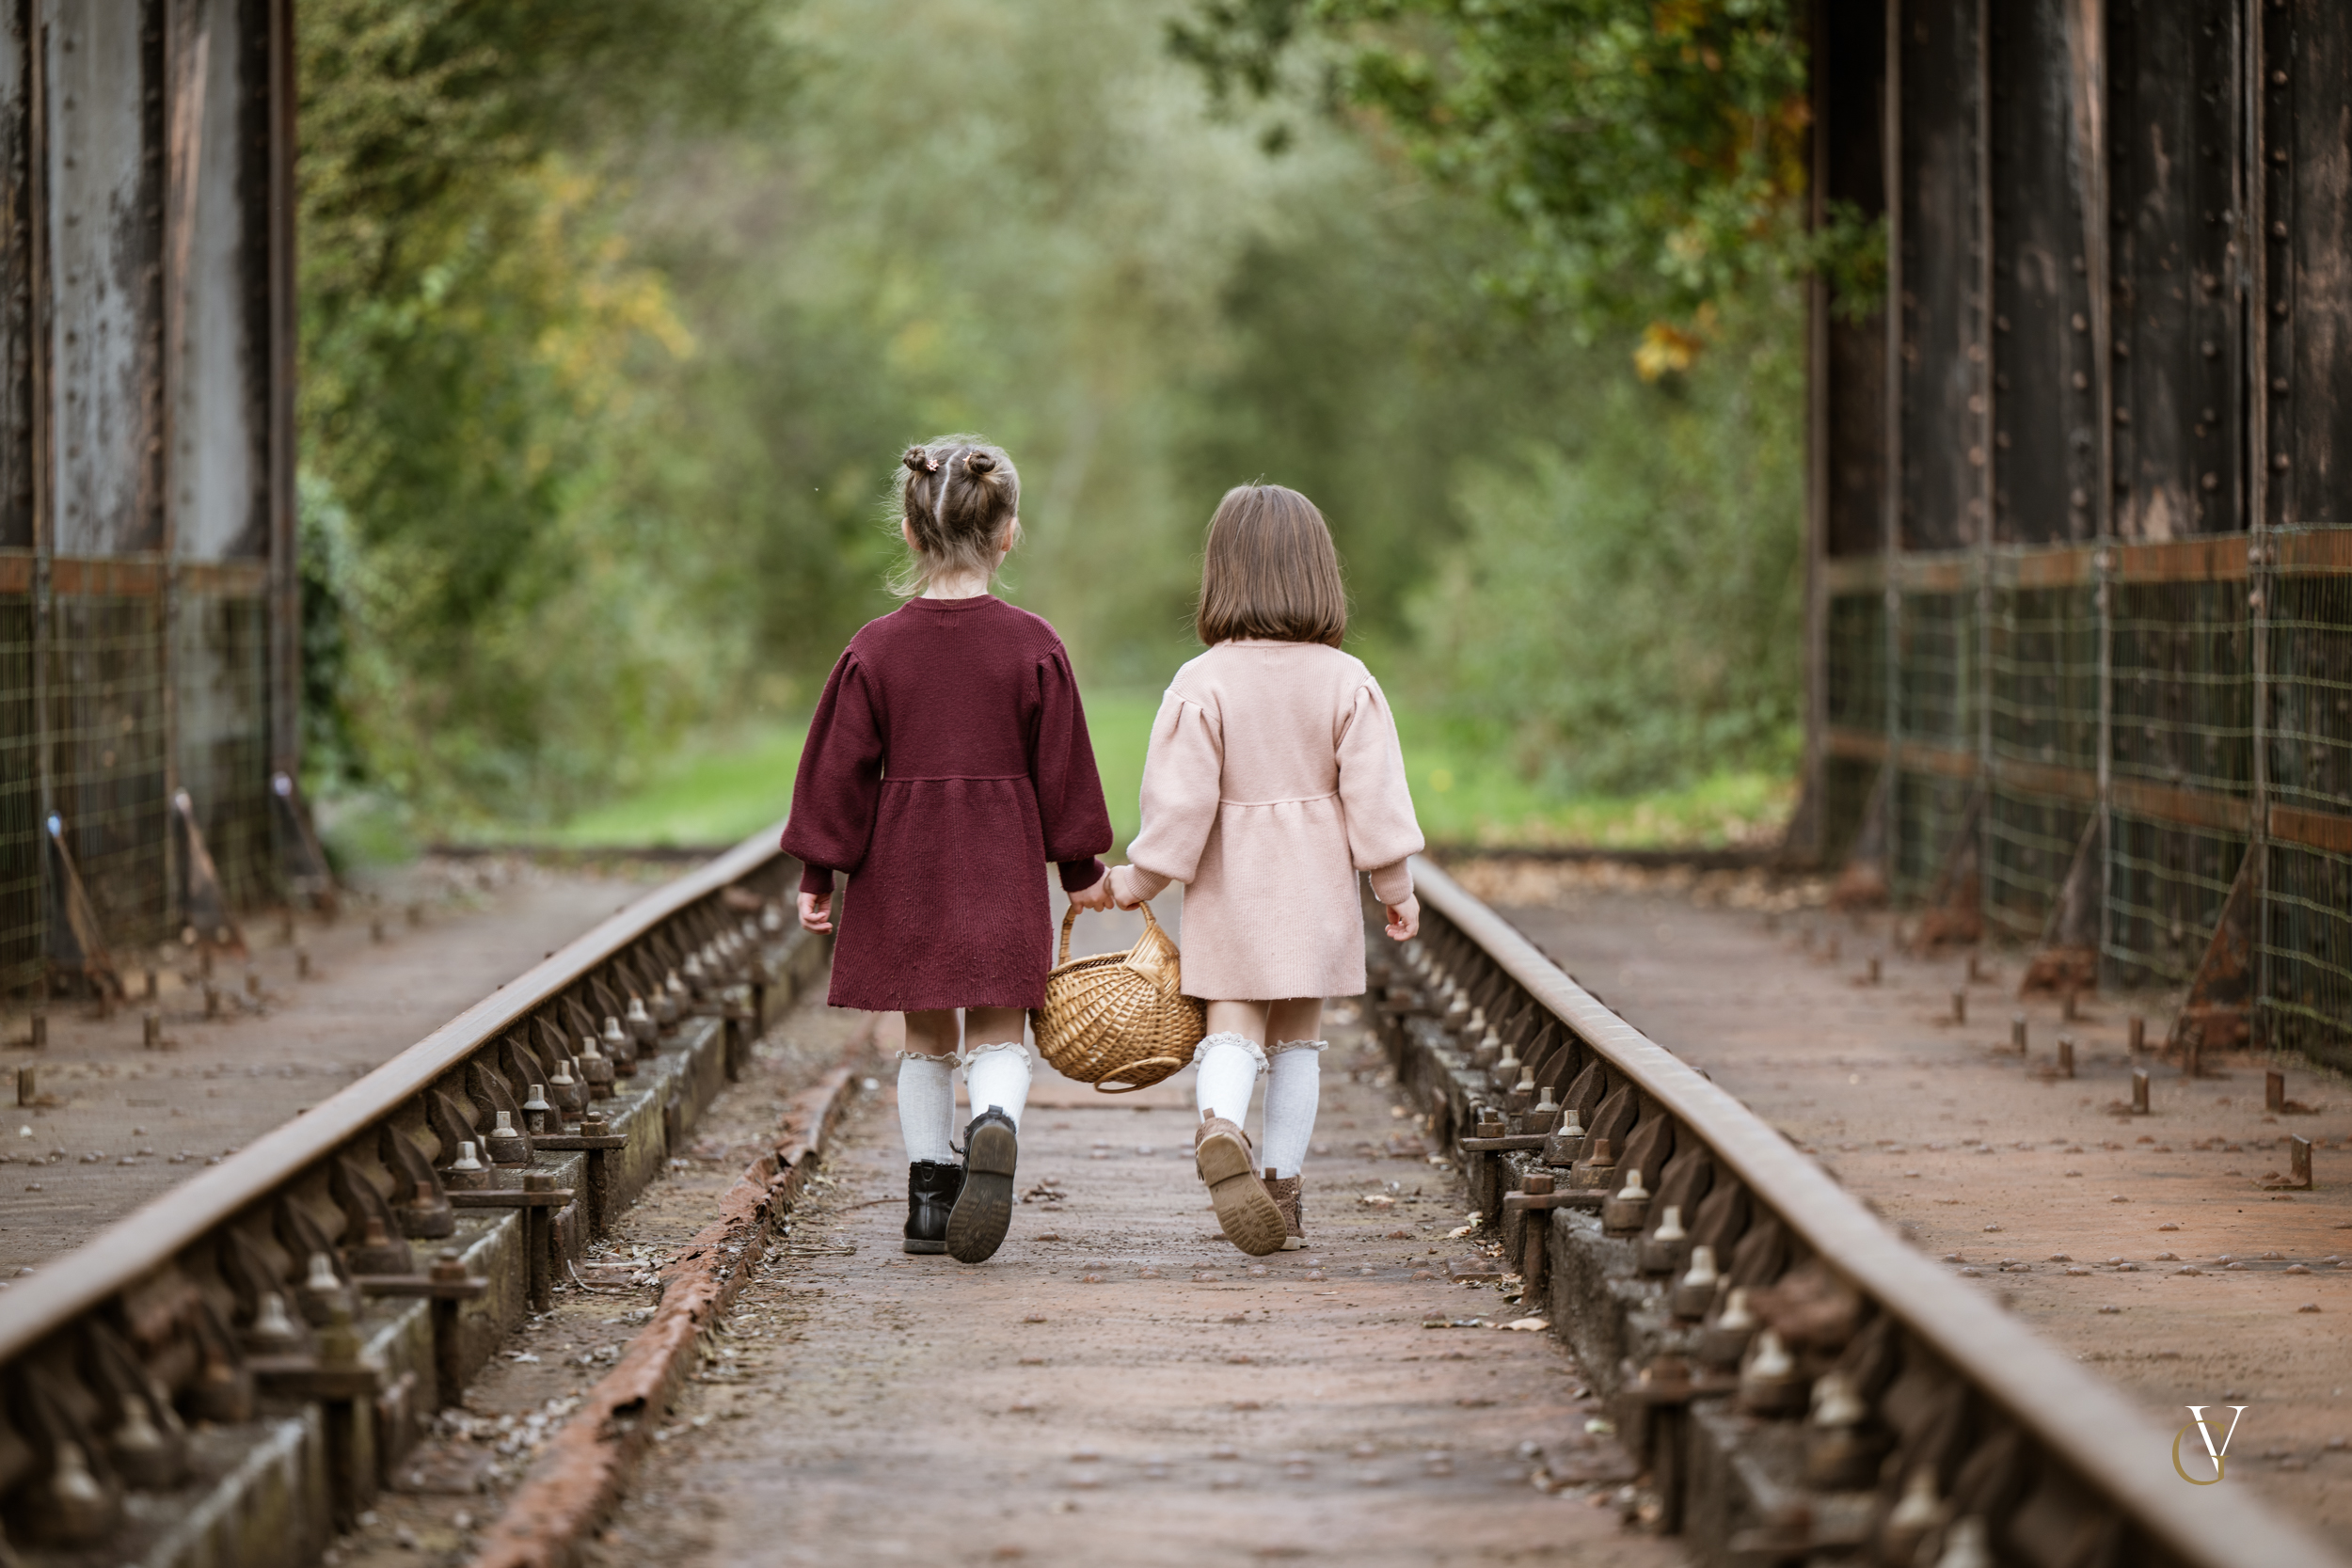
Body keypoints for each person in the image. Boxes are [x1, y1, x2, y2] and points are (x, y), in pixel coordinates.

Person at [786, 436, 1113, 1264]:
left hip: (907, 867)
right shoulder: (1033, 644)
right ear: (1009, 535)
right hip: (1001, 861)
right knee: (1000, 1027)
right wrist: (1080, 868)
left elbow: (837, 769)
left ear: (908, 530)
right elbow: (1064, 770)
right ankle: (995, 1120)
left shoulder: (875, 648)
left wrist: (819, 868)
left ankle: (930, 1201)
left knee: (925, 1035)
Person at [1073, 483, 1422, 1255]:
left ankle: (1221, 1125)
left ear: (1220, 576)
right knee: (1298, 1043)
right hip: (1315, 893)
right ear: (1319, 574)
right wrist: (1394, 887)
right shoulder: (1348, 680)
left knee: (1231, 1029)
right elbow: (1377, 801)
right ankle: (1282, 1190)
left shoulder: (1202, 682)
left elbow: (1180, 807)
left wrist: (1136, 879)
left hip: (1233, 893)